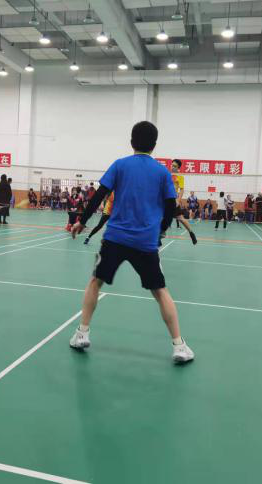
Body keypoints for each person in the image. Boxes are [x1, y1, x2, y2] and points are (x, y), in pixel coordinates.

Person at [69, 121, 194, 364]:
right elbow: (171, 207)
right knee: (160, 291)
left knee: (95, 281)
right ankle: (179, 346)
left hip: (115, 238)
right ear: (154, 145)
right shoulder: (162, 173)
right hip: (146, 241)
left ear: (131, 142)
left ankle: (82, 333)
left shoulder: (120, 165)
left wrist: (81, 221)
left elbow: (99, 196)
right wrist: (161, 231)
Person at [170, 159, 197, 244]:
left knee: (181, 218)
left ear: (178, 168)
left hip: (173, 199)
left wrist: (178, 200)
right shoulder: (167, 174)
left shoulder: (180, 177)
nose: (172, 167)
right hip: (164, 199)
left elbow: (181, 190)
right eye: (172, 165)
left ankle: (191, 233)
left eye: (175, 166)